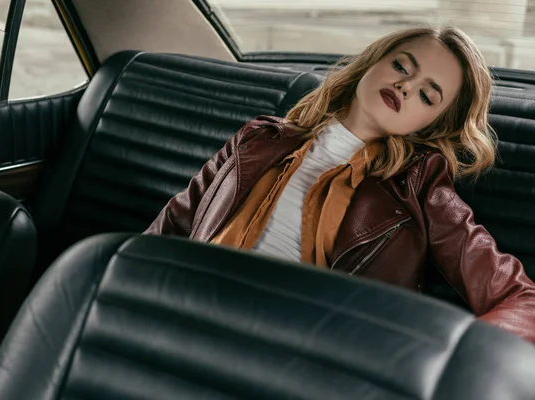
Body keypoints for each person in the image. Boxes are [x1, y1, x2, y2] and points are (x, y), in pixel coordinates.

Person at [144, 26, 535, 343]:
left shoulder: (418, 185)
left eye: (428, 95)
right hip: (187, 315)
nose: (406, 86)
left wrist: (454, 362)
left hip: (297, 351)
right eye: (401, 66)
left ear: (431, 125)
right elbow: (165, 233)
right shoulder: (258, 139)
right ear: (371, 63)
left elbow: (521, 299)